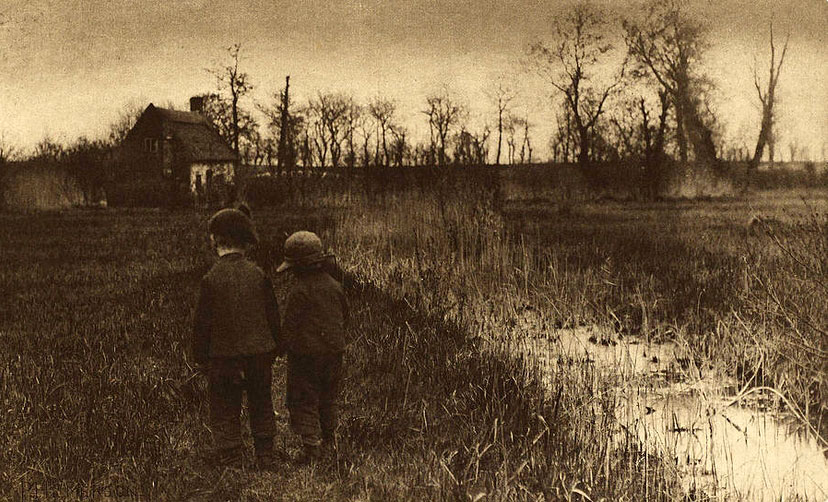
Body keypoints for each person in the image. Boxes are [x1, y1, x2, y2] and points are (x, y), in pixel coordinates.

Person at [192, 208, 281, 470]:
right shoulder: (258, 275)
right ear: (246, 242)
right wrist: (276, 347)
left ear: (214, 240)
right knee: (261, 400)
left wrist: (200, 357)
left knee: (223, 405)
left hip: (223, 358)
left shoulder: (210, 279)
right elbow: (272, 315)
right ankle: (266, 456)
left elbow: (201, 325)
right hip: (259, 354)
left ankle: (231, 458)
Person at [277, 231, 348, 464]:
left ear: (297, 267)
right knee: (328, 397)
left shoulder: (299, 291)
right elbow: (344, 316)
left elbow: (289, 326)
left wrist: (279, 349)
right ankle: (330, 440)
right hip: (334, 354)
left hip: (305, 357)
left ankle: (311, 449)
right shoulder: (335, 285)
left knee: (303, 399)